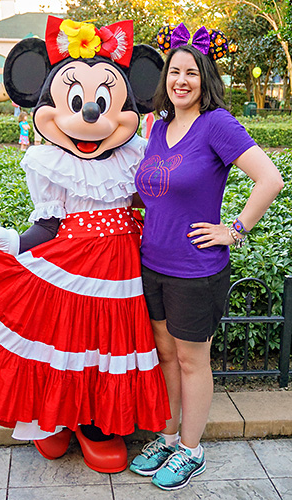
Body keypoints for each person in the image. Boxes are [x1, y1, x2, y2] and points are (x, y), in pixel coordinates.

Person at [0, 16, 171, 475]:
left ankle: (98, 425)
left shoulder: (137, 154)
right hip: (66, 264)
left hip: (121, 272)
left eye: (103, 101)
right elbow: (48, 223)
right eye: (75, 100)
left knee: (105, 348)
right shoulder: (49, 161)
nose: (90, 114)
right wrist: (10, 242)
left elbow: (154, 203)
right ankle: (52, 419)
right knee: (61, 344)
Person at [129, 23, 284, 491]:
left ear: (205, 79)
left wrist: (233, 231)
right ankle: (170, 434)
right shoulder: (157, 124)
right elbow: (152, 190)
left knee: (193, 361)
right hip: (152, 263)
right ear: (165, 79)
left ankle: (191, 449)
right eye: (174, 72)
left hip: (196, 269)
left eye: (191, 73)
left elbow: (270, 180)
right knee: (167, 357)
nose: (181, 81)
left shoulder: (216, 124)